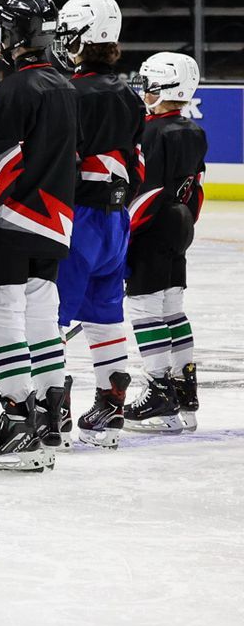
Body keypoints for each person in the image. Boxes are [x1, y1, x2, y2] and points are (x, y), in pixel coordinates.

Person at [0, 0, 78, 473]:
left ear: (17, 36)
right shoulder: (65, 87)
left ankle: (16, 423)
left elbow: (5, 164)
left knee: (3, 313)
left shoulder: (12, 90)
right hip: (54, 222)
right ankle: (50, 415)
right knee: (43, 311)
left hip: (14, 221)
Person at [52, 0, 145, 448]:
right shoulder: (130, 94)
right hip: (116, 222)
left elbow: (61, 164)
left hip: (78, 221)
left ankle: (54, 413)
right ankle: (110, 407)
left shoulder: (69, 91)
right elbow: (139, 166)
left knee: (47, 316)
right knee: (105, 317)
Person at [123, 52, 207, 434]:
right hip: (179, 224)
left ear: (163, 87)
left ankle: (158, 391)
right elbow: (197, 191)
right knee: (172, 305)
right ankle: (183, 387)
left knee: (145, 306)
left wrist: (123, 233)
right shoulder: (193, 130)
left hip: (153, 225)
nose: (144, 92)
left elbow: (147, 190)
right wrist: (184, 223)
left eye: (148, 85)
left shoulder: (154, 131)